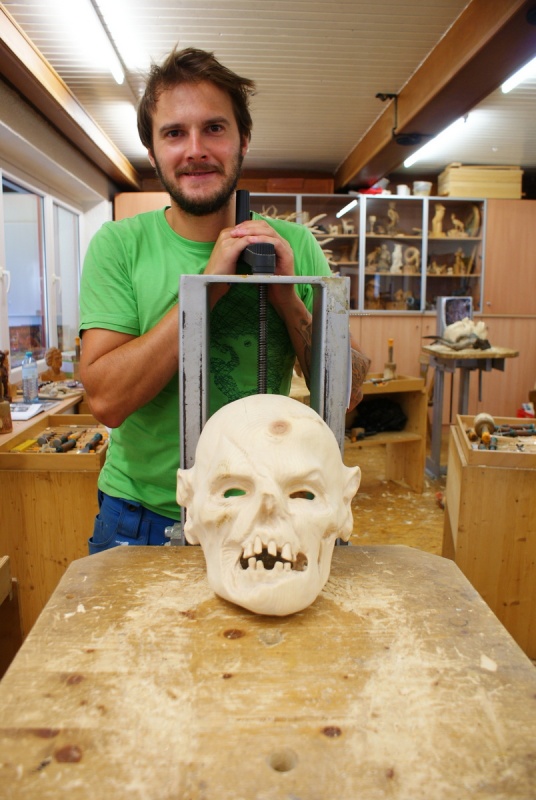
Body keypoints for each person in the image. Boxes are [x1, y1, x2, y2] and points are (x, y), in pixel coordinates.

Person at [79, 47, 370, 553]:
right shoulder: (119, 246)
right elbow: (106, 401)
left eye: (214, 128)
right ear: (153, 150)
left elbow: (350, 391)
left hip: (264, 514)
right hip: (144, 519)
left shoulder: (294, 245)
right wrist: (207, 288)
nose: (196, 149)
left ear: (243, 140)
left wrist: (286, 296)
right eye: (174, 133)